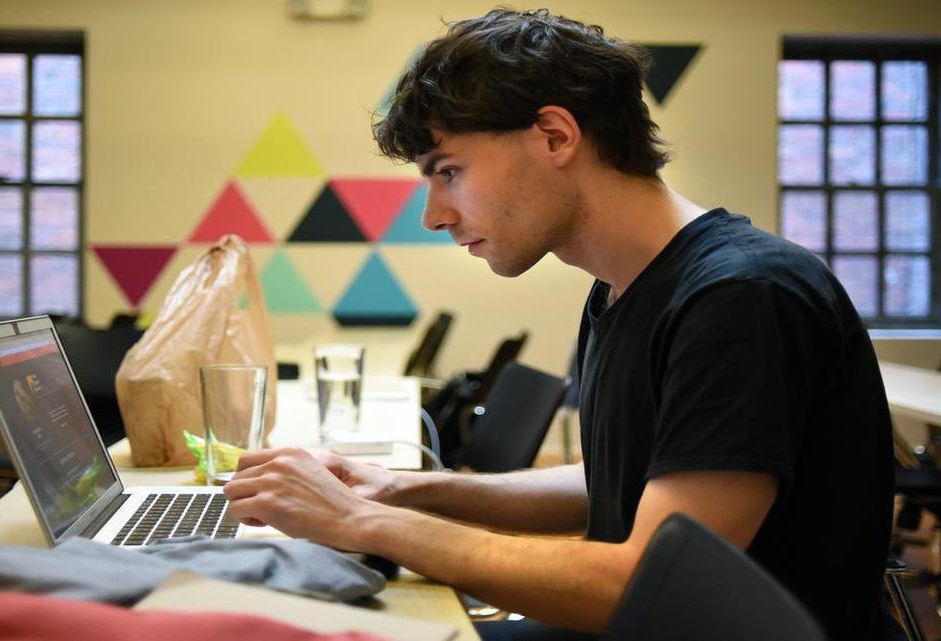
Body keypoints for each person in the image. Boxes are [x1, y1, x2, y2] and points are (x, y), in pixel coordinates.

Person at [224, 8, 895, 640]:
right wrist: (400, 486)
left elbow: (650, 580)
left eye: (449, 172)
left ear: (555, 136)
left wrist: (367, 520)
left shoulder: (741, 296)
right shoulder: (620, 287)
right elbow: (615, 478)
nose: (434, 215)